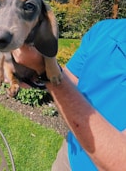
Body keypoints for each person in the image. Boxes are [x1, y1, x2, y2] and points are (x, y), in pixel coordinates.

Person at [12, 19, 126, 171]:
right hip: (71, 153)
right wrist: (33, 74)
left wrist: (45, 69)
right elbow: (70, 80)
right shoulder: (105, 29)